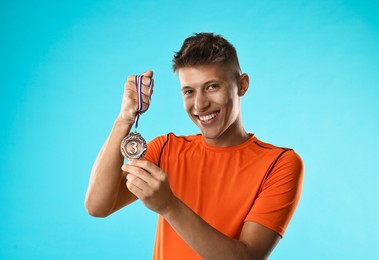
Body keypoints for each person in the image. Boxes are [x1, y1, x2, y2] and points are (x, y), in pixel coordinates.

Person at [85, 33, 303, 259]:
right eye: (189, 91)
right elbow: (98, 206)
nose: (200, 104)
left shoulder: (280, 164)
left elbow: (247, 258)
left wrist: (169, 206)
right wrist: (124, 120)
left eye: (212, 87)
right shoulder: (166, 149)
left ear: (242, 85)